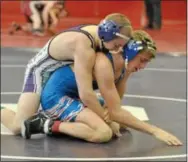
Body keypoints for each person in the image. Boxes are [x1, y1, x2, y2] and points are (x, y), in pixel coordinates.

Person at [21, 30, 182, 146]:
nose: (143, 66)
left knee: (122, 123)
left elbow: (114, 104)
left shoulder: (126, 66)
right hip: (56, 96)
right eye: (142, 60)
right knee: (103, 133)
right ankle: (45, 124)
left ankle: (65, 120)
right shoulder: (103, 63)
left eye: (146, 62)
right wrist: (155, 131)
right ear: (131, 53)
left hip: (76, 95)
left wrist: (111, 115)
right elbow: (115, 112)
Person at [1, 13, 133, 135]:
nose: (118, 50)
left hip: (60, 76)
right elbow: (85, 93)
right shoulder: (84, 45)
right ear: (107, 35)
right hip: (41, 71)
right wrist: (107, 121)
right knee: (18, 126)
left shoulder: (100, 35)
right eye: (116, 45)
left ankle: (51, 115)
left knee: (119, 121)